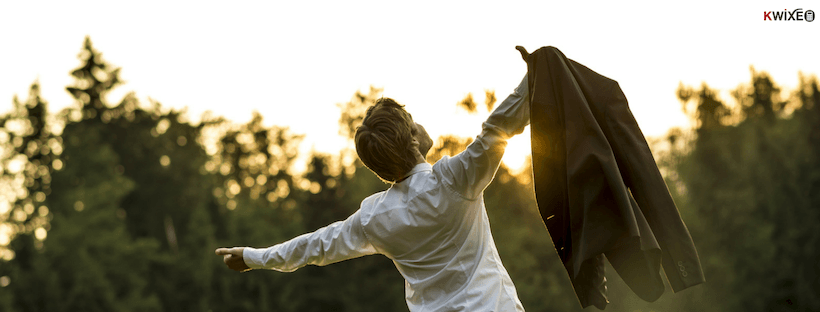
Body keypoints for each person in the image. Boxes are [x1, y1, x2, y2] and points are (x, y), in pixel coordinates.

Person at [216, 72, 530, 311]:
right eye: (413, 121)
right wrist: (538, 75)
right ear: (415, 140)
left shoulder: (374, 218)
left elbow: (314, 247)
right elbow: (497, 129)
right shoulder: (454, 180)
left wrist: (253, 257)